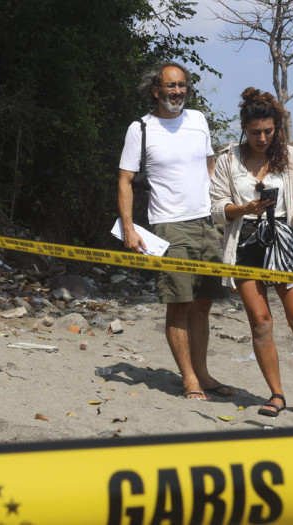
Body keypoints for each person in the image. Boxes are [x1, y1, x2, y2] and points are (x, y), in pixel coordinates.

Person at [209, 87, 293, 424]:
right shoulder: (228, 158)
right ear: (244, 127)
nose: (262, 137)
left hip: (286, 240)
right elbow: (214, 208)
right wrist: (244, 208)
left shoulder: (291, 156)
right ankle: (276, 393)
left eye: (268, 131)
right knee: (261, 323)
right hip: (246, 243)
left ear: (277, 128)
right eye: (255, 132)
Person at [117, 62, 236, 401]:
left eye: (182, 85)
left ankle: (204, 374)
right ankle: (189, 380)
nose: (178, 92)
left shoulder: (198, 120)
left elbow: (210, 163)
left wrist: (218, 206)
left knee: (203, 304)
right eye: (171, 86)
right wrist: (129, 227)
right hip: (168, 226)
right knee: (179, 304)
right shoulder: (140, 128)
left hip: (205, 225)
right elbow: (125, 179)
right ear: (156, 90)